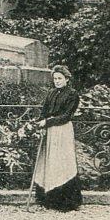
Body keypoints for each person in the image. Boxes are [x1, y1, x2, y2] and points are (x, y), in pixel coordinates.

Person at [34, 65, 82, 211]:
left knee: (63, 162)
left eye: (60, 78)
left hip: (63, 129)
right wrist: (41, 124)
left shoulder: (72, 94)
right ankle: (49, 198)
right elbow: (44, 110)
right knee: (50, 161)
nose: (57, 81)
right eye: (55, 79)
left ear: (67, 79)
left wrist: (48, 122)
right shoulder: (51, 93)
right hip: (50, 130)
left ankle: (66, 201)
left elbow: (66, 115)